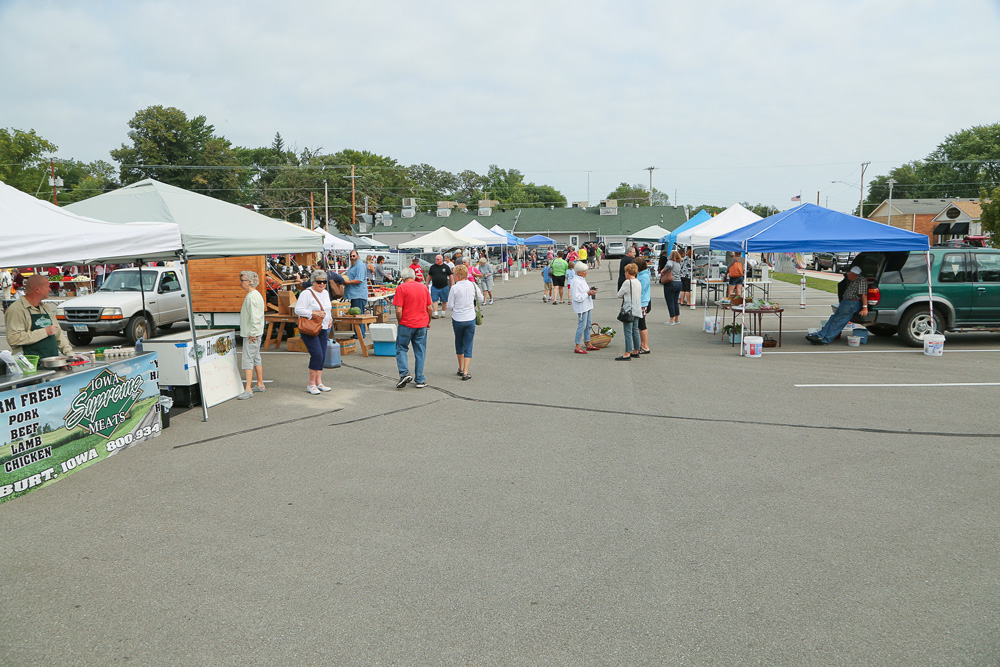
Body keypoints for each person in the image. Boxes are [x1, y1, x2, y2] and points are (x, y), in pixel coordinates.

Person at [5, 274, 78, 359]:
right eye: (48, 286)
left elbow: (58, 333)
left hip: (52, 361)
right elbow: (14, 338)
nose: (50, 289)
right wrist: (45, 332)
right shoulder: (17, 310)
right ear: (37, 289)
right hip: (30, 365)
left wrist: (70, 354)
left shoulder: (45, 308)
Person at [392, 267, 433, 388]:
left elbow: (398, 310)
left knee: (401, 348)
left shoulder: (401, 288)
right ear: (414, 276)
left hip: (406, 323)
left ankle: (404, 373)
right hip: (421, 324)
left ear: (403, 277)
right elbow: (429, 308)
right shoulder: (423, 287)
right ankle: (420, 379)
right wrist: (428, 321)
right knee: (420, 351)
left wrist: (400, 322)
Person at [807, 266, 869, 345]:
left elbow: (864, 295)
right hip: (846, 302)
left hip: (852, 303)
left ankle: (825, 340)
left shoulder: (861, 280)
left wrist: (865, 308)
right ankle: (820, 335)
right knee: (833, 318)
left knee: (839, 321)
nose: (847, 275)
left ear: (854, 274)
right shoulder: (853, 280)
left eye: (849, 273)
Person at [294, 270, 333, 394]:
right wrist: (314, 313)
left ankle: (319, 382)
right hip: (310, 328)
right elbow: (298, 310)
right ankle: (311, 384)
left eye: (324, 282)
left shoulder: (326, 293)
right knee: (317, 354)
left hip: (324, 326)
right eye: (319, 282)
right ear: (313, 282)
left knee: (322, 354)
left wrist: (330, 318)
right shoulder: (306, 294)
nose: (322, 284)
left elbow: (328, 307)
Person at [446, 263, 484, 381]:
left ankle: (460, 367)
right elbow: (481, 299)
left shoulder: (455, 287)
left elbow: (449, 305)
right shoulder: (472, 285)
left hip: (458, 318)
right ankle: (466, 371)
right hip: (470, 317)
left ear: (457, 275)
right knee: (468, 343)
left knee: (459, 342)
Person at [237, 270, 266, 400]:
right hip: (255, 332)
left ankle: (248, 389)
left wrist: (253, 333)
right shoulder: (255, 295)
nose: (241, 282)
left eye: (242, 280)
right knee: (256, 358)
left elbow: (255, 318)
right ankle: (260, 383)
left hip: (252, 334)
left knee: (248, 359)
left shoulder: (251, 297)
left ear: (249, 282)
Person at [570, 262, 599, 354]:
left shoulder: (581, 279)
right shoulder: (576, 281)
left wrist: (590, 289)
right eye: (584, 271)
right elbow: (576, 297)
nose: (586, 272)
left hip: (587, 305)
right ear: (579, 272)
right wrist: (588, 293)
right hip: (582, 307)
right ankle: (577, 346)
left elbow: (584, 291)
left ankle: (588, 342)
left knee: (588, 325)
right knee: (581, 326)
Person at [615, 263, 642, 361]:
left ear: (627, 272)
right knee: (635, 331)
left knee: (628, 332)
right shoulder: (638, 282)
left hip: (628, 310)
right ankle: (636, 350)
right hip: (637, 309)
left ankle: (627, 352)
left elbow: (619, 294)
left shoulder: (627, 282)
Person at [343, 250, 369, 337]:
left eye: (354, 256)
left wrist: (348, 282)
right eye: (350, 256)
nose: (352, 258)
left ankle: (360, 334)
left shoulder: (360, 266)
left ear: (358, 255)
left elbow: (359, 279)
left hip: (359, 294)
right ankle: (358, 333)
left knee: (358, 315)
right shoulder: (353, 265)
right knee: (356, 314)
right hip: (354, 294)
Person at [426, 254, 453, 319]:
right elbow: (429, 276)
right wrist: (427, 284)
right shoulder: (432, 267)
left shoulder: (446, 267)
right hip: (435, 287)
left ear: (441, 260)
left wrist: (452, 284)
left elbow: (450, 276)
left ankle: (443, 312)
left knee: (444, 300)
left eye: (437, 259)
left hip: (444, 286)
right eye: (435, 259)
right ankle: (436, 313)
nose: (436, 260)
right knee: (434, 300)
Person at [634, 257, 652, 353]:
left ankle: (645, 346)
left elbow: (640, 291)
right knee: (640, 325)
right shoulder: (642, 275)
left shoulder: (643, 277)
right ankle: (642, 344)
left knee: (642, 324)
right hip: (642, 302)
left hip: (642, 303)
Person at [661, 250, 683, 325]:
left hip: (671, 283)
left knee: (670, 302)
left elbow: (669, 266)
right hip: (679, 282)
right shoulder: (678, 263)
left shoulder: (670, 262)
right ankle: (677, 318)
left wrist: (663, 270)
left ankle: (671, 319)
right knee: (675, 302)